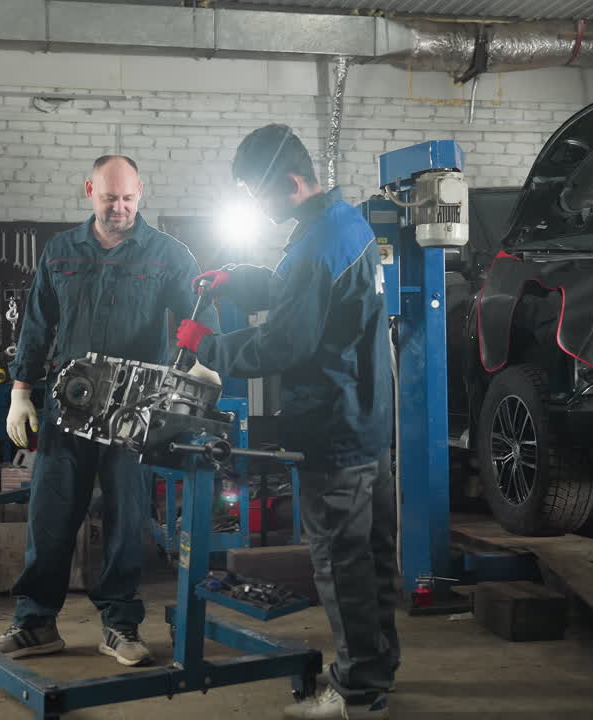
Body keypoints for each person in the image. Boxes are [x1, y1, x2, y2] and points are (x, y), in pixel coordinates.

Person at [174, 125, 398, 719]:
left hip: (333, 430)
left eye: (259, 195)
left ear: (292, 183)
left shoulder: (313, 247)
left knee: (342, 565)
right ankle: (377, 671)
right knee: (372, 559)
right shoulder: (346, 224)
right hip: (370, 424)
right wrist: (241, 278)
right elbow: (307, 298)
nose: (260, 207)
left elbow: (284, 343)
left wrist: (207, 348)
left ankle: (356, 694)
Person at [0, 154, 219, 667]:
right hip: (68, 403)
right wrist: (20, 391)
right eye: (110, 197)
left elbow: (199, 314)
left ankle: (120, 625)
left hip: (134, 409)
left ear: (141, 194)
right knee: (50, 514)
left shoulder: (167, 254)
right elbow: (37, 324)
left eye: (129, 198)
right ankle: (35, 623)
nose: (120, 208)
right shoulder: (60, 251)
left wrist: (203, 363)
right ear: (89, 191)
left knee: (125, 516)